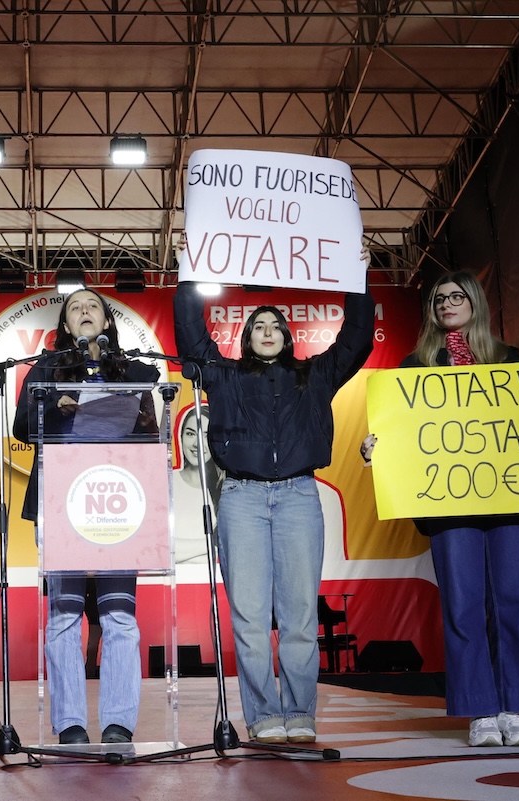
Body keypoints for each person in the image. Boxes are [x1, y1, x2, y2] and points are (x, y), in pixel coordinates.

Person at [360, 270, 519, 748]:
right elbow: (403, 432)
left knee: (517, 601)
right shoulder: (414, 367)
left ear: (475, 304)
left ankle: (515, 707)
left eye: (456, 296)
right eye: (439, 298)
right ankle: (479, 712)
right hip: (450, 505)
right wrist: (377, 447)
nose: (447, 303)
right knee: (464, 606)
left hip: (510, 500)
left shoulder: (511, 361)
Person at [173, 274, 376, 744]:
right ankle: (263, 715)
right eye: (258, 325)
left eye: (275, 326)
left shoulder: (316, 375)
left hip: (298, 497)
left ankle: (300, 712)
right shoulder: (222, 376)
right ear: (246, 339)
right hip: (241, 499)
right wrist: (187, 278)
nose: (267, 330)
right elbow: (191, 334)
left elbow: (356, 339)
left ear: (287, 338)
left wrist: (357, 279)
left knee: (300, 613)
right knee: (248, 616)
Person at [13, 288, 160, 745]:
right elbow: (22, 427)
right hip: (62, 501)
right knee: (64, 616)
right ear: (64, 325)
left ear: (107, 321)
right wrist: (52, 407)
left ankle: (119, 722)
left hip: (120, 500)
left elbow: (150, 433)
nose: (83, 312)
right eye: (74, 307)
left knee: (119, 616)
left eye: (92, 305)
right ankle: (70, 723)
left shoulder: (136, 371)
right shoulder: (47, 370)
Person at [172, 403, 223, 565]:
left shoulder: (229, 488)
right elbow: (158, 550)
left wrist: (181, 548)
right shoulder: (166, 483)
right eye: (190, 433)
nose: (197, 443)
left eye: (206, 435)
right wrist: (213, 546)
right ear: (180, 436)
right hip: (171, 583)